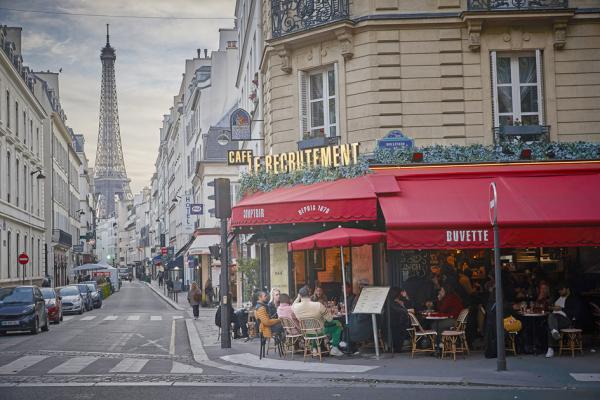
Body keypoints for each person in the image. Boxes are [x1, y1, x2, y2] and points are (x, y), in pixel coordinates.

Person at [293, 286, 343, 356]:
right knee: (338, 324)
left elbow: (293, 305)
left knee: (314, 328)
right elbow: (330, 319)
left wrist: (298, 297)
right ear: (309, 294)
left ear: (300, 295)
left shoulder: (295, 307)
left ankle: (314, 349)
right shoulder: (318, 305)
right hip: (320, 331)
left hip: (306, 332)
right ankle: (334, 347)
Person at [545, 283, 585, 358]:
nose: (560, 292)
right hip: (555, 318)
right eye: (559, 290)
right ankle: (554, 333)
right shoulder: (557, 298)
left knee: (551, 324)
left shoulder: (573, 299)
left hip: (566, 319)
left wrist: (561, 309)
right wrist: (552, 308)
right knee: (551, 319)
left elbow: (576, 312)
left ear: (567, 289)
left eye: (561, 290)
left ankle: (550, 348)